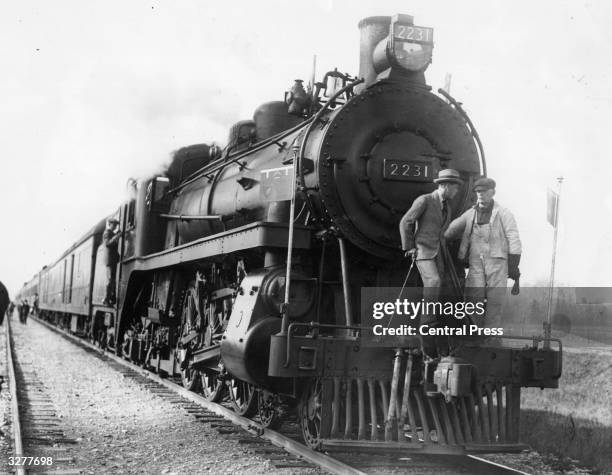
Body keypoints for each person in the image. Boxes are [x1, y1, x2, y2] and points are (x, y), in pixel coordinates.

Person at [399, 168, 464, 356]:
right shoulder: (425, 200)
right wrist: (409, 247)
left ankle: (440, 331)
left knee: (444, 287)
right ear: (444, 186)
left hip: (439, 253)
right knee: (433, 282)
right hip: (424, 251)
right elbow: (406, 222)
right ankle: (426, 327)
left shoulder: (448, 207)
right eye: (455, 187)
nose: (457, 191)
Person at [444, 177, 521, 329]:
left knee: (495, 300)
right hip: (476, 263)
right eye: (478, 191)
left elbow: (514, 240)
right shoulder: (470, 214)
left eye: (484, 191)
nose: (480, 194)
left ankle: (491, 337)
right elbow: (450, 231)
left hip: (497, 263)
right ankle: (474, 334)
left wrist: (513, 266)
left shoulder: (504, 214)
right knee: (473, 299)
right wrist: (441, 238)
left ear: (493, 192)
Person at [102, 218, 121, 305]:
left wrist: (116, 235)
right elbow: (108, 243)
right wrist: (117, 236)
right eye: (114, 225)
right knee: (110, 280)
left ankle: (111, 298)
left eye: (116, 225)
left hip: (113, 259)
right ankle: (106, 299)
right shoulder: (107, 232)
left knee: (112, 280)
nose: (115, 226)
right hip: (109, 260)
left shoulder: (112, 233)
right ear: (110, 224)